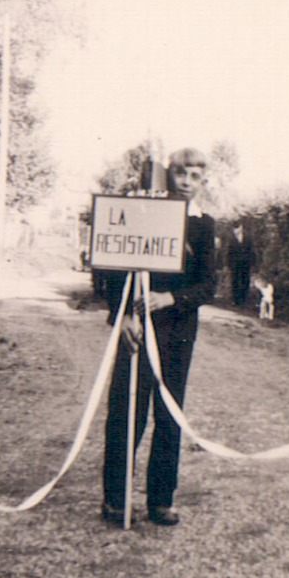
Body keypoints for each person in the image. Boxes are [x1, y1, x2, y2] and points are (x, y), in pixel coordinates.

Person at [100, 147, 217, 527]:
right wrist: (123, 319)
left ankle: (160, 500)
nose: (186, 182)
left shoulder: (204, 225)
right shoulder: (142, 215)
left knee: (169, 414)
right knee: (126, 412)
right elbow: (114, 275)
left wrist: (171, 298)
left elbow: (209, 286)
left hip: (178, 332)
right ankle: (116, 500)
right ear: (169, 176)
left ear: (202, 182)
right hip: (137, 329)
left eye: (195, 176)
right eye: (181, 173)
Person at [225, 219, 257, 308]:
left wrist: (252, 263)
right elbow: (228, 253)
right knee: (235, 281)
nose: (235, 230)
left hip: (245, 263)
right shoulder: (231, 240)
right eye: (234, 228)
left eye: (237, 228)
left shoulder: (248, 238)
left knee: (245, 281)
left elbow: (252, 251)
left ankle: (243, 300)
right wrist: (228, 264)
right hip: (234, 264)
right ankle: (235, 300)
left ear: (241, 228)